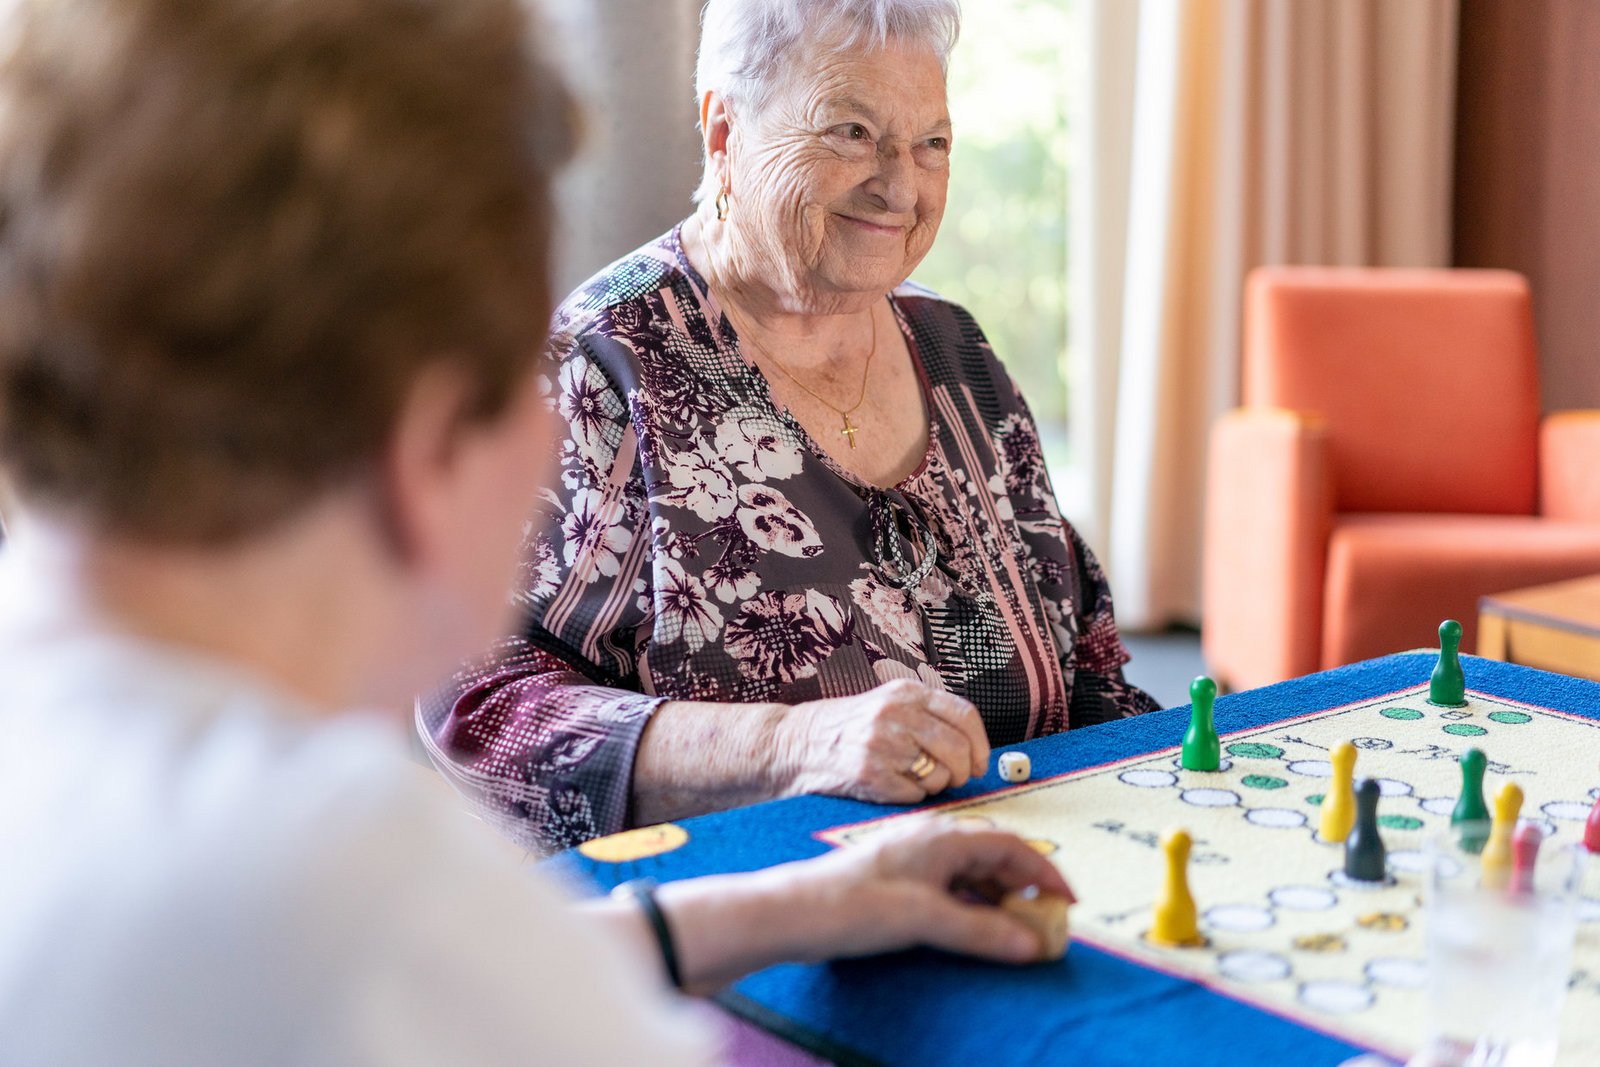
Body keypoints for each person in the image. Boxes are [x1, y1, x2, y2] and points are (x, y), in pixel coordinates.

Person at [0, 0, 1074, 1062]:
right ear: (430, 445)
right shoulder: (347, 881)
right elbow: (439, 923)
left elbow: (467, 953)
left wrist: (811, 902)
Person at [423, 0, 1158, 852]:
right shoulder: (598, 369)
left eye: (933, 142)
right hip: (743, 922)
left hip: (1021, 874)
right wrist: (788, 745)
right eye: (851, 130)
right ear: (724, 129)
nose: (900, 184)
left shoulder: (960, 356)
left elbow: (1088, 659)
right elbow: (477, 700)